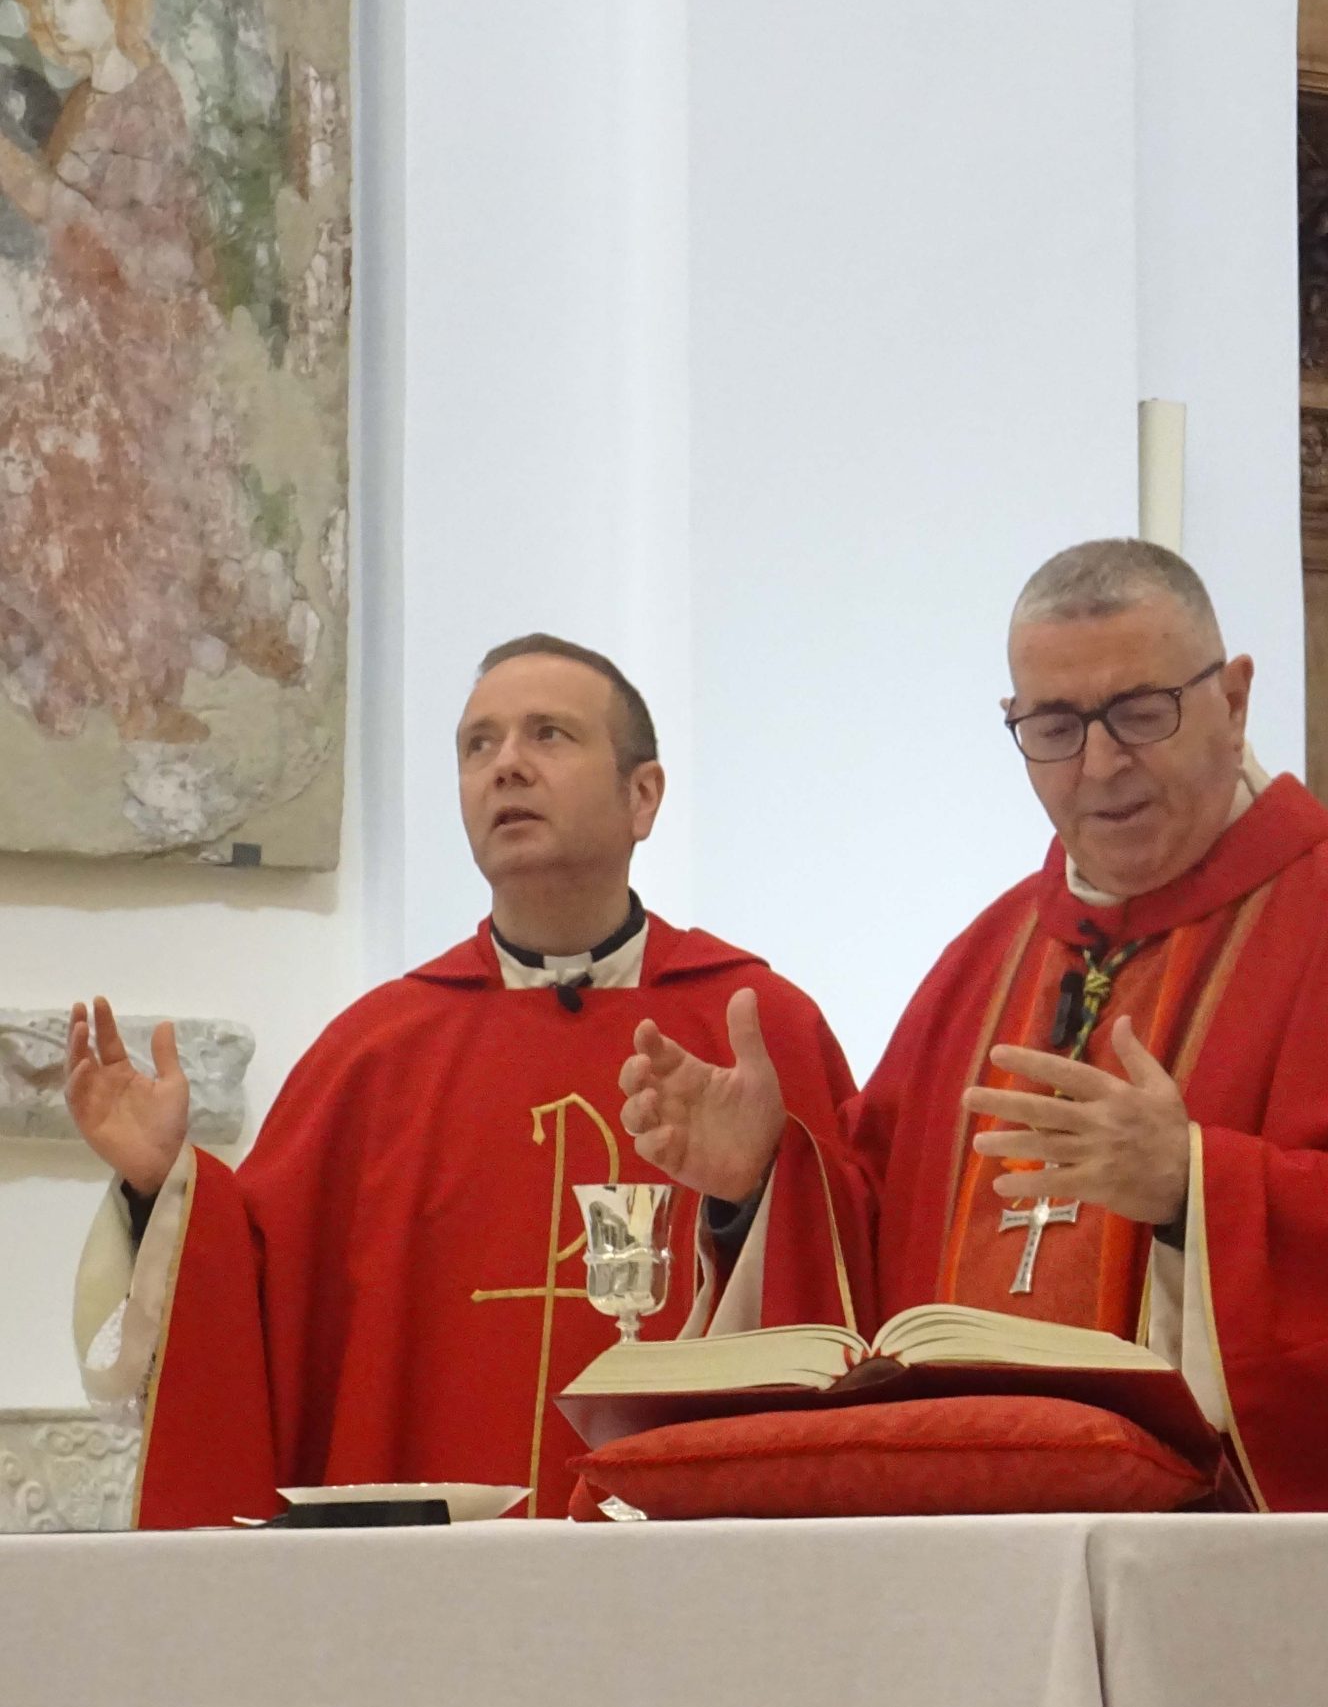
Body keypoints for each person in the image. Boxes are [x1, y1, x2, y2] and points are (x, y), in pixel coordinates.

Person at [623, 540, 1328, 1510]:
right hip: (974, 1544)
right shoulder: (985, 957)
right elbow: (881, 1235)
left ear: (1234, 700)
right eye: (1054, 727)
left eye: (1141, 712)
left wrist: (1196, 1190)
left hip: (1232, 1557)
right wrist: (764, 1185)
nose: (1100, 764)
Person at [70, 635, 863, 1525]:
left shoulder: (757, 1031)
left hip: (697, 1565)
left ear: (642, 796)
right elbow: (257, 1311)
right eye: (478, 745)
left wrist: (755, 1191)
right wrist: (165, 1189)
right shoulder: (374, 1055)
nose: (506, 765)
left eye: (549, 734)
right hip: (425, 1584)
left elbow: (864, 1293)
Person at [0, 0, 307, 742]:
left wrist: (27, 182)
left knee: (132, 508)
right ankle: (111, 673)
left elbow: (128, 243)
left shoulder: (147, 98)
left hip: (140, 341)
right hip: (84, 333)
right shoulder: (86, 99)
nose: (60, 15)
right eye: (48, 2)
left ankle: (146, 682)